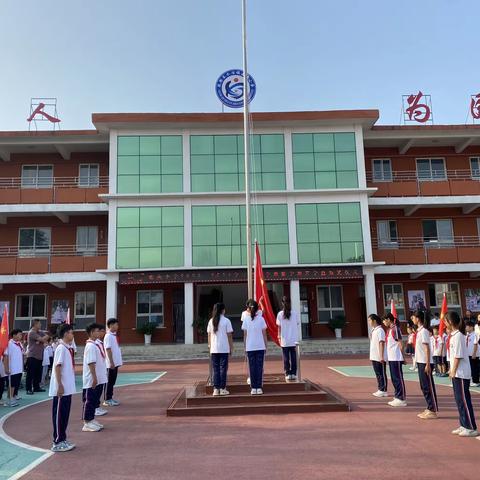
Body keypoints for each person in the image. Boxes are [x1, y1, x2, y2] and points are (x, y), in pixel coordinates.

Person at [445, 312, 478, 437]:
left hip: (461, 373)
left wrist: (453, 370)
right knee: (459, 400)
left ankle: (471, 427)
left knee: (464, 400)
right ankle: (463, 424)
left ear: (451, 322)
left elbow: (458, 356)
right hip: (456, 372)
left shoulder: (458, 336)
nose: (444, 323)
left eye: (446, 321)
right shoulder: (453, 336)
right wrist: (452, 370)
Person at [49, 323, 76, 452]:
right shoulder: (61, 348)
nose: (72, 335)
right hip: (62, 388)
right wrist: (59, 385)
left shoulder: (67, 348)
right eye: (71, 332)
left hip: (67, 388)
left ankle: (63, 438)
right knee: (59, 415)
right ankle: (57, 441)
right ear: (65, 334)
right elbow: (57, 367)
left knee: (64, 415)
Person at [412, 310, 438, 419]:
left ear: (418, 318)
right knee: (423, 386)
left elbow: (427, 349)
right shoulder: (419, 331)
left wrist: (428, 364)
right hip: (420, 361)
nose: (412, 319)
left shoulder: (424, 332)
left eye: (413, 317)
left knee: (428, 386)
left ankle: (433, 409)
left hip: (425, 362)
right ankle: (429, 407)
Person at [82, 323, 107, 432]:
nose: (99, 332)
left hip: (98, 377)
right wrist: (94, 378)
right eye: (97, 331)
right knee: (90, 400)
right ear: (92, 332)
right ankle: (87, 422)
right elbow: (91, 363)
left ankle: (91, 419)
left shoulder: (95, 344)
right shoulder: (90, 346)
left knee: (94, 400)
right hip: (92, 379)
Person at [241, 299, 267, 395]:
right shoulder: (261, 319)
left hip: (250, 347)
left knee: (252, 367)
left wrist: (245, 346)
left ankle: (253, 388)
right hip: (260, 346)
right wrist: (266, 345)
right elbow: (264, 334)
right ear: (257, 309)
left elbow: (245, 335)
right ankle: (258, 387)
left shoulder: (246, 319)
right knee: (259, 367)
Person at [207, 303, 233, 396]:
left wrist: (209, 346)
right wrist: (231, 347)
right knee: (223, 368)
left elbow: (209, 335)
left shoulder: (211, 321)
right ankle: (222, 388)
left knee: (216, 369)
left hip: (214, 349)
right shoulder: (226, 321)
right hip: (224, 348)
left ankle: (216, 389)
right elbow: (229, 335)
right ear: (223, 310)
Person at [382, 313, 407, 407]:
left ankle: (401, 398)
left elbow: (401, 343)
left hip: (396, 358)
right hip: (392, 358)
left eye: (384, 320)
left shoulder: (395, 329)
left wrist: (403, 357)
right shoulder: (390, 330)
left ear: (388, 319)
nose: (384, 323)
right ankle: (397, 396)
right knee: (394, 378)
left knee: (398, 378)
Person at [276, 297, 300, 382]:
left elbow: (279, 327)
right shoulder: (295, 313)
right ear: (290, 303)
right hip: (293, 339)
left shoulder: (280, 314)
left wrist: (278, 337)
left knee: (286, 357)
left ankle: (287, 373)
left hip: (284, 339)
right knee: (293, 357)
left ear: (282, 303)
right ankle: (293, 373)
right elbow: (297, 323)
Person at [26, 319, 49, 394]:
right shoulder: (32, 332)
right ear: (35, 324)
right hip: (32, 356)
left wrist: (40, 340)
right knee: (30, 373)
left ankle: (36, 387)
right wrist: (41, 340)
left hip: (39, 356)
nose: (40, 325)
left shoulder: (39, 332)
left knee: (38, 373)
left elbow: (47, 336)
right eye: (39, 324)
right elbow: (42, 339)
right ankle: (28, 388)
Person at [103, 318, 123, 406]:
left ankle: (110, 397)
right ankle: (107, 399)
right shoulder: (108, 336)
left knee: (112, 381)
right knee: (109, 381)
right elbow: (108, 349)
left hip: (115, 363)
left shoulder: (113, 335)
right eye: (116, 324)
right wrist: (111, 362)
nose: (117, 326)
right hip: (111, 364)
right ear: (111, 325)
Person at [2, 329, 24, 407]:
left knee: (16, 384)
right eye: (19, 334)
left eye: (21, 334)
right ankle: (9, 399)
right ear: (14, 335)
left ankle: (12, 397)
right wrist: (6, 368)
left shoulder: (19, 344)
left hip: (19, 368)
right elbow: (6, 356)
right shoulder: (9, 344)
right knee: (11, 385)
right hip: (12, 368)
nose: (21, 336)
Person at [368, 314, 387, 398]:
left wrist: (381, 356)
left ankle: (383, 390)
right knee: (377, 373)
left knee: (381, 373)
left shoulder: (380, 330)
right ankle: (380, 388)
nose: (368, 322)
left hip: (379, 357)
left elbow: (381, 343)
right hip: (374, 356)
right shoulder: (374, 330)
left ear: (374, 321)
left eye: (369, 320)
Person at [94, 325, 108, 417]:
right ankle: (95, 408)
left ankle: (97, 406)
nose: (103, 333)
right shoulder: (94, 344)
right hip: (97, 371)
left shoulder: (99, 343)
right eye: (101, 331)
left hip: (101, 370)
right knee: (96, 391)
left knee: (99, 390)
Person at [466, 321, 479, 387]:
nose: (466, 328)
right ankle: (473, 380)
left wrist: (474, 354)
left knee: (474, 368)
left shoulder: (475, 335)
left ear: (471, 327)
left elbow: (475, 344)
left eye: (467, 327)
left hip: (474, 355)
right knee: (471, 368)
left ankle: (476, 381)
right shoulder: (467, 335)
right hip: (468, 354)